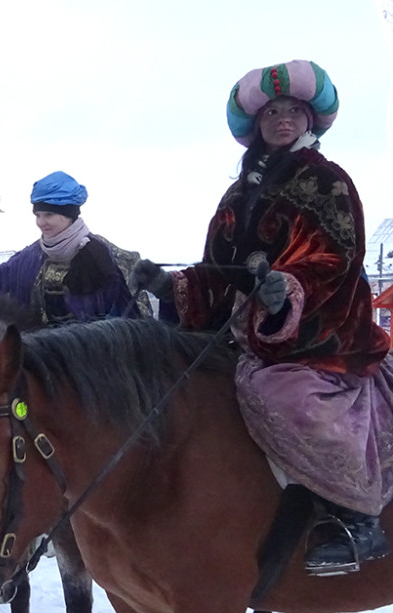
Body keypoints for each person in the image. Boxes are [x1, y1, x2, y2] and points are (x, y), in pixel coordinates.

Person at [133, 59, 392, 575]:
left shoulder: (329, 182)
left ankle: (355, 516)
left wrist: (286, 291)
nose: (283, 119)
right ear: (257, 122)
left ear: (310, 119)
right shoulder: (238, 192)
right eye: (273, 111)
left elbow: (337, 260)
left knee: (288, 397)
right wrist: (173, 286)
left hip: (318, 337)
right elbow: (217, 267)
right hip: (243, 332)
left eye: (293, 110)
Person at [0, 171, 142, 323]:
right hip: (43, 355)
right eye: (38, 215)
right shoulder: (34, 255)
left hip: (93, 358)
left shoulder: (101, 255)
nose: (41, 222)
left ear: (69, 215)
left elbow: (121, 315)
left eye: (49, 215)